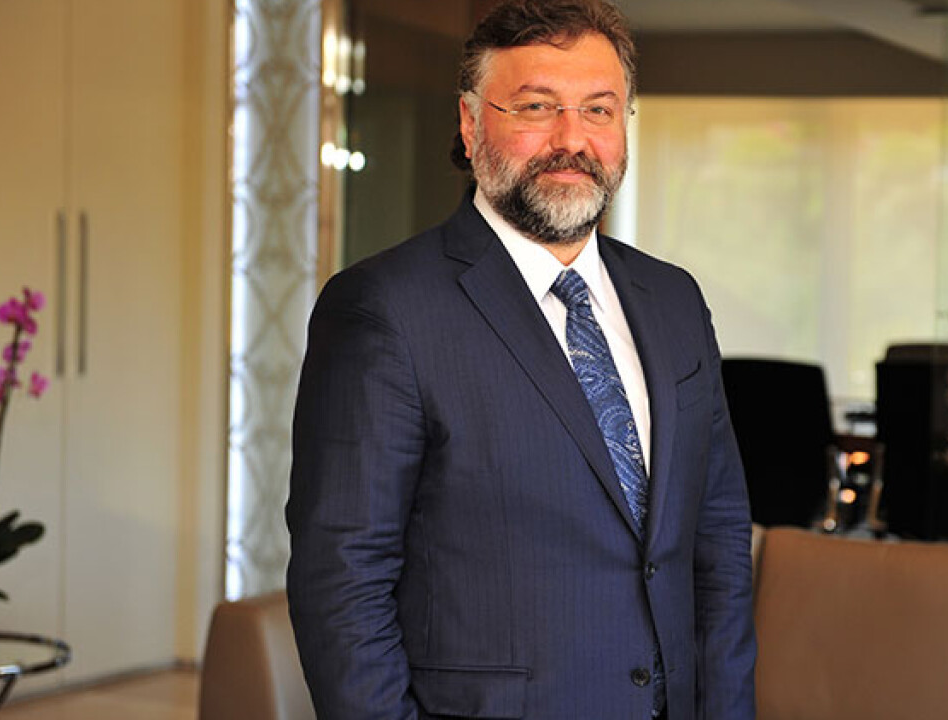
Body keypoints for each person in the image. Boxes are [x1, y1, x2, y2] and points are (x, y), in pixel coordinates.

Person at [285, 1, 756, 718]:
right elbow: (342, 580)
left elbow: (716, 539)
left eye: (599, 110)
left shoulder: (674, 300)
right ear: (471, 123)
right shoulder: (384, 309)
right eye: (537, 106)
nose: (572, 138)